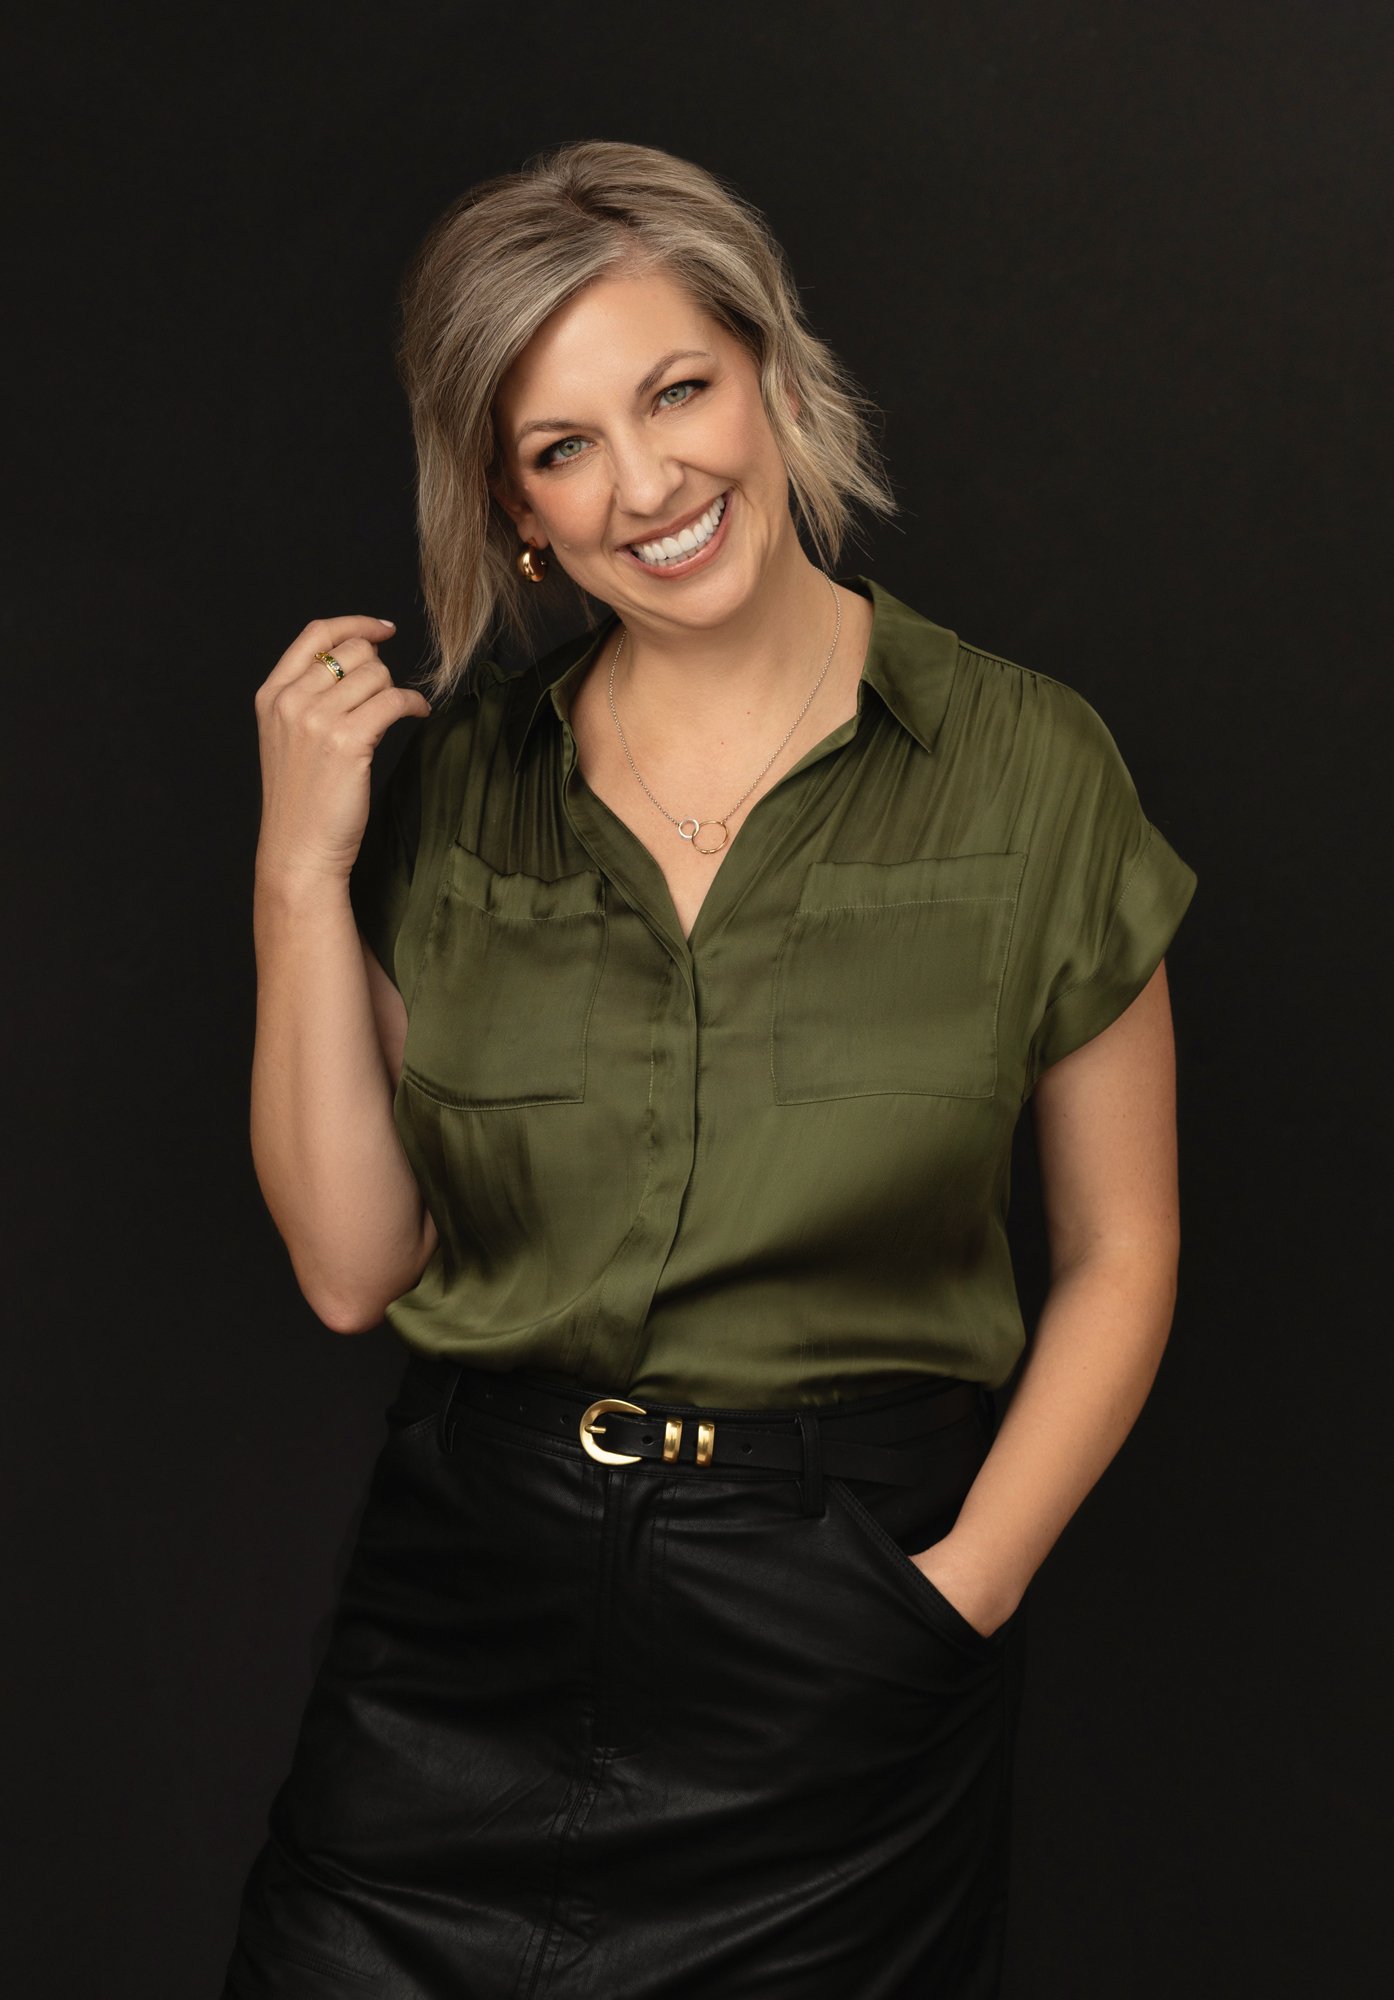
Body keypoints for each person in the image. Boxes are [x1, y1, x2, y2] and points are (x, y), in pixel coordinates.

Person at [222, 139, 1198, 1999]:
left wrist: (956, 1593)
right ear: (512, 506)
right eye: (561, 443)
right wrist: (297, 869)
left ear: (769, 371)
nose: (649, 482)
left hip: (834, 1627)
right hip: (461, 1626)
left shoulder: (1027, 766)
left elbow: (1124, 1255)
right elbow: (356, 1268)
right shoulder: (451, 787)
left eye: (677, 390)